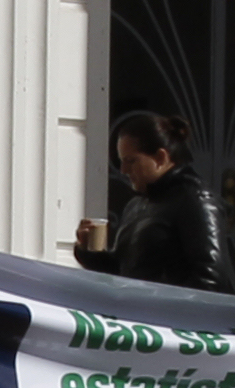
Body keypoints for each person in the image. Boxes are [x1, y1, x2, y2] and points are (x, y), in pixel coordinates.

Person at [74, 111, 221, 290]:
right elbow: (123, 270)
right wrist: (86, 252)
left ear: (160, 158)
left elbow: (211, 277)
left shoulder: (193, 200)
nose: (123, 170)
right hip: (135, 311)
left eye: (131, 161)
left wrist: (162, 308)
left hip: (163, 315)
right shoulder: (137, 205)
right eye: (121, 161)